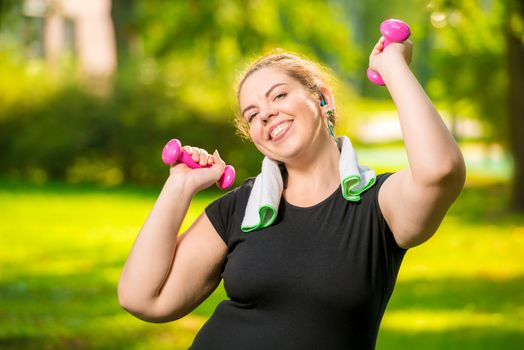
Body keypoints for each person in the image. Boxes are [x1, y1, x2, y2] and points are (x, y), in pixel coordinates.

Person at [118, 37, 466, 349]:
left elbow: (440, 171)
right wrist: (179, 185)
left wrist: (392, 66)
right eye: (252, 114)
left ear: (323, 98)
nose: (266, 114)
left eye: (279, 95)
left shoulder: (378, 204)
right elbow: (142, 298)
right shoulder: (242, 208)